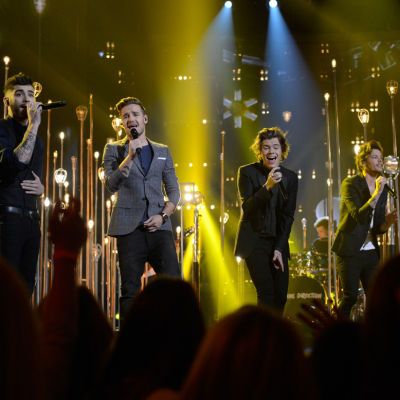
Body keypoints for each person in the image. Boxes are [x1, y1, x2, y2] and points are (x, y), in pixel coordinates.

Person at [102, 96, 181, 320]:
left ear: (144, 119)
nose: (131, 119)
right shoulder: (114, 149)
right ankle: (131, 338)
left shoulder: (162, 150)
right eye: (125, 116)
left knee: (174, 285)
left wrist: (163, 216)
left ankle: (173, 334)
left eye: (135, 114)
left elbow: (174, 191)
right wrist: (129, 157)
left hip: (159, 227)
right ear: (122, 123)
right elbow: (110, 185)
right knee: (130, 289)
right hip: (129, 229)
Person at [234, 127, 298, 313]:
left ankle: (274, 330)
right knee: (266, 293)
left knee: (281, 295)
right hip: (255, 242)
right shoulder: (247, 172)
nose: (271, 151)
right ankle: (264, 330)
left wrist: (279, 248)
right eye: (266, 147)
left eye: (275, 147)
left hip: (278, 242)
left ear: (282, 151)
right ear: (260, 151)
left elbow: (288, 216)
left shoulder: (290, 177)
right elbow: (248, 207)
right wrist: (267, 186)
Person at [332, 140, 397, 317]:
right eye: (374, 157)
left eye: (381, 158)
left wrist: (388, 222)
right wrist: (376, 193)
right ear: (363, 161)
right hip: (349, 250)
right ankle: (335, 327)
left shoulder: (383, 189)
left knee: (377, 297)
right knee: (350, 297)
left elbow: (377, 228)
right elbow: (358, 216)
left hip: (370, 252)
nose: (379, 161)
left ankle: (374, 331)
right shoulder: (350, 184)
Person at [0, 72, 44, 294]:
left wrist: (42, 189)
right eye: (19, 94)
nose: (27, 99)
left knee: (26, 287)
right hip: (7, 220)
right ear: (6, 101)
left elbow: (35, 177)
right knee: (7, 288)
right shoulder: (2, 130)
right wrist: (33, 126)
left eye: (30, 94)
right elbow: (15, 162)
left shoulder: (39, 141)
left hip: (32, 221)